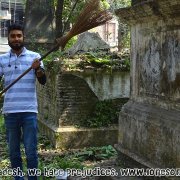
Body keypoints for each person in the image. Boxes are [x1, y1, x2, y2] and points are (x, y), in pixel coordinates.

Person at [0, 23, 46, 180]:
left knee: (31, 150)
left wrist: (37, 69)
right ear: (9, 38)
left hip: (29, 111)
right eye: (13, 36)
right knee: (13, 152)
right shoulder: (2, 59)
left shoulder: (35, 57)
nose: (16, 38)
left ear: (23, 37)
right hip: (10, 112)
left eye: (19, 35)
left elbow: (43, 80)